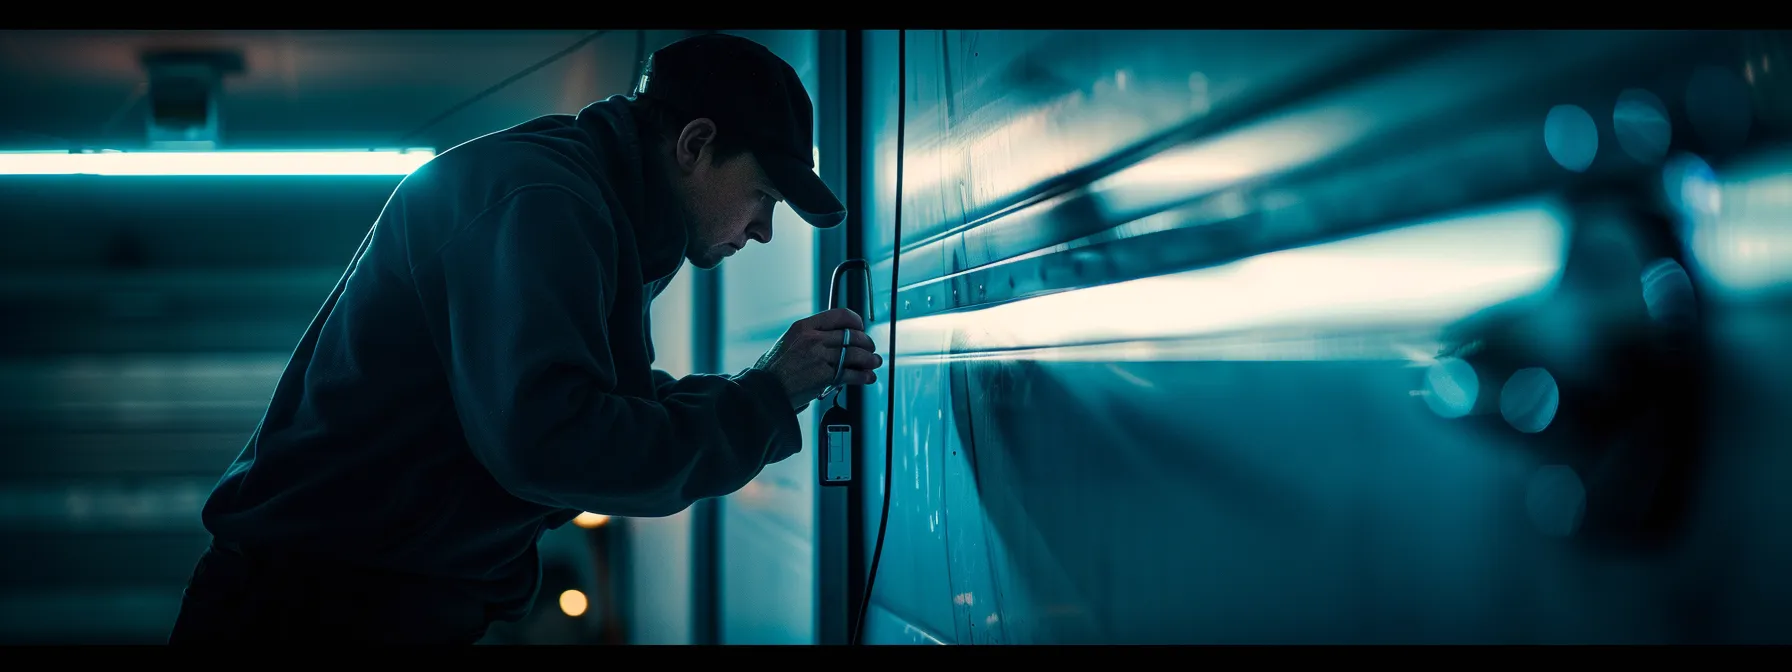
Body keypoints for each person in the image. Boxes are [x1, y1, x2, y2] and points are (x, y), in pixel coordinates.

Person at [167, 33, 881, 644]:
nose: (763, 228)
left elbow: (598, 408)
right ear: (695, 144)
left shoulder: (589, 209)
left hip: (361, 603)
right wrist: (761, 396)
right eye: (764, 196)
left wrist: (760, 390)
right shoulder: (544, 203)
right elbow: (557, 444)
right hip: (307, 613)